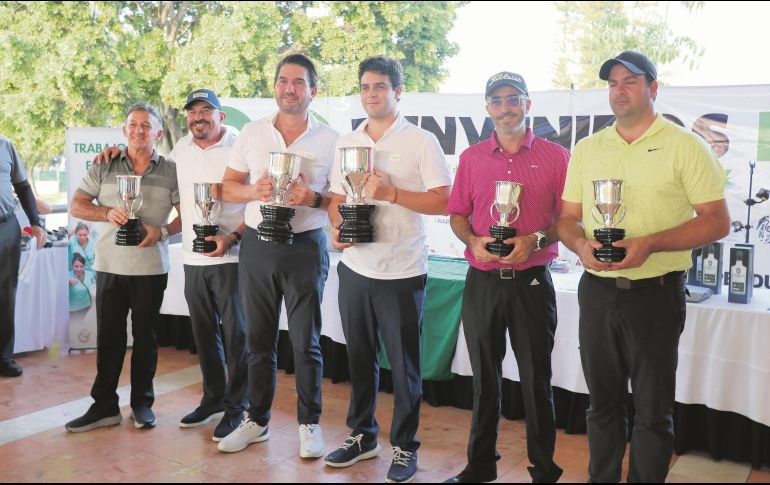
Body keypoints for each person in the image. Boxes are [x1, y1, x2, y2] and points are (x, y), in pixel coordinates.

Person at [556, 50, 730, 483]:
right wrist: (579, 244)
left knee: (653, 411)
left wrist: (649, 244)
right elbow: (565, 217)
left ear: (653, 88)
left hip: (656, 293)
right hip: (596, 291)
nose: (619, 90)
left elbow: (717, 221)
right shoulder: (589, 148)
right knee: (602, 405)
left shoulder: (685, 146)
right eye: (613, 83)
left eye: (630, 82)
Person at [93, 89, 250, 442]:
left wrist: (234, 237)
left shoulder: (241, 147)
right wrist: (115, 151)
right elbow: (148, 162)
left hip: (231, 257)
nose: (199, 117)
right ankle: (213, 399)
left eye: (206, 111)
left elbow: (254, 202)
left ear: (220, 116)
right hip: (193, 258)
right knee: (205, 334)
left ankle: (238, 406)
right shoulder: (180, 150)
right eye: (193, 112)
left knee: (236, 334)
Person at [324, 56, 452, 484]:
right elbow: (336, 198)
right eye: (365, 87)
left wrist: (392, 191)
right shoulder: (347, 141)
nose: (372, 94)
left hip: (401, 271)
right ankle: (363, 436)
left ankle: (404, 446)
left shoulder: (421, 140)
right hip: (356, 268)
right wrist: (338, 228)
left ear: (398, 92)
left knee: (403, 365)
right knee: (359, 358)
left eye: (380, 86)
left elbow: (444, 201)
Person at [443, 71, 568, 484]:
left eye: (513, 99)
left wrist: (534, 239)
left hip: (532, 281)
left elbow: (568, 220)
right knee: (484, 380)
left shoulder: (555, 157)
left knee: (536, 381)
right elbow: (458, 213)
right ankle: (480, 467)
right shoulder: (472, 157)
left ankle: (544, 470)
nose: (505, 107)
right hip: (482, 280)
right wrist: (474, 241)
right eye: (496, 100)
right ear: (487, 109)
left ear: (528, 105)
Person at [218, 54, 338, 458]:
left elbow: (340, 201)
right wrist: (254, 191)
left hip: (304, 246)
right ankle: (257, 421)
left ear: (313, 91)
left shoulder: (331, 139)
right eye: (284, 81)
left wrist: (313, 197)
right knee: (259, 340)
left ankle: (309, 424)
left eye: (299, 82)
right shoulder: (251, 133)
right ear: (275, 87)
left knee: (306, 343)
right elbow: (227, 187)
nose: (290, 88)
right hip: (258, 246)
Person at [66, 103, 182, 433]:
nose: (138, 130)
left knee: (146, 338)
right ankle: (104, 406)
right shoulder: (105, 165)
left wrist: (161, 232)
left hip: (150, 269)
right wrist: (106, 214)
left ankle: (142, 404)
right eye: (133, 124)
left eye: (146, 126)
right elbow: (77, 204)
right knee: (110, 339)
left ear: (158, 133)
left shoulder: (171, 170)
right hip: (109, 267)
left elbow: (187, 216)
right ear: (124, 130)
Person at [0, 135, 46, 378]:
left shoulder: (5, 145)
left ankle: (4, 358)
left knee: (6, 295)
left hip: (5, 228)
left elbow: (23, 186)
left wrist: (36, 223)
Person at [69, 252, 96, 320]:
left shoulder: (90, 274)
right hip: (73, 310)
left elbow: (94, 288)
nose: (79, 269)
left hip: (87, 307)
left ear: (84, 266)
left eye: (81, 266)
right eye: (76, 266)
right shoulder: (67, 275)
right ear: (72, 266)